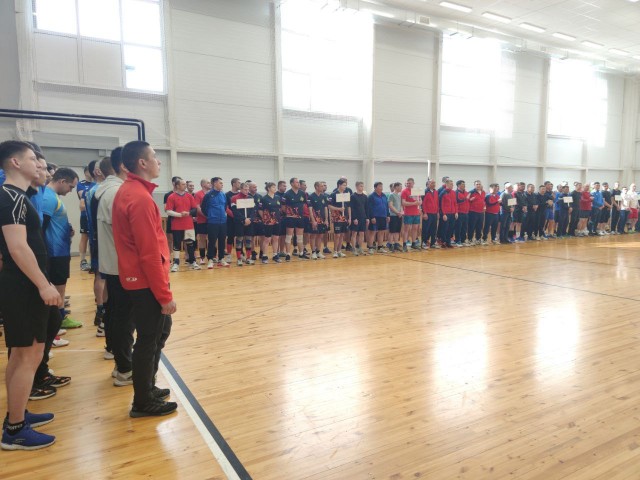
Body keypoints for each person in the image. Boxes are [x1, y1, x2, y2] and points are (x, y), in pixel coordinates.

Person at [0, 140, 59, 450]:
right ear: (15, 162)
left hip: (21, 285)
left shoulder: (19, 196)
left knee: (20, 354)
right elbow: (18, 247)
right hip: (23, 287)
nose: (39, 164)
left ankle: (17, 413)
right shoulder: (11, 197)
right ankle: (15, 430)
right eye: (33, 159)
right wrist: (43, 284)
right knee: (28, 355)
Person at [112, 140, 177, 418]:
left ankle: (147, 387)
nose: (158, 161)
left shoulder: (133, 191)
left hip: (140, 279)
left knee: (159, 332)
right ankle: (142, 400)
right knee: (149, 339)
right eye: (154, 157)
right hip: (145, 281)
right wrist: (164, 296)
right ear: (142, 162)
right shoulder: (138, 197)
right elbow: (149, 253)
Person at [95, 152, 136, 386]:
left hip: (114, 263)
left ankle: (120, 362)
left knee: (117, 314)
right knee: (123, 318)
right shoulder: (115, 192)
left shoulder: (106, 189)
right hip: (121, 266)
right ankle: (125, 368)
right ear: (124, 165)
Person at [42, 168, 81, 330]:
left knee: (61, 286)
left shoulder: (53, 197)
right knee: (58, 287)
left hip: (60, 250)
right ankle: (56, 323)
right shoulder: (48, 198)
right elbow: (41, 227)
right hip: (54, 252)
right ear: (62, 181)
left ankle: (60, 318)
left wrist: (67, 228)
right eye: (71, 187)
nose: (71, 191)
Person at [165, 179, 200, 272]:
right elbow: (168, 211)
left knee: (190, 243)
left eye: (185, 184)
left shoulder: (189, 196)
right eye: (183, 184)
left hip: (189, 225)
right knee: (176, 244)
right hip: (177, 225)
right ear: (177, 186)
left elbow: (194, 209)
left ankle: (192, 261)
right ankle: (176, 263)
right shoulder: (171, 197)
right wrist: (180, 215)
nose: (185, 186)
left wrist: (188, 213)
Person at [201, 177, 229, 269]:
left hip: (223, 221)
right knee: (212, 241)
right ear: (215, 184)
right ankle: (210, 259)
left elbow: (225, 206)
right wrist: (210, 215)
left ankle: (221, 258)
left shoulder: (223, 194)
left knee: (222, 240)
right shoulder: (208, 195)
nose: (222, 184)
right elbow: (203, 208)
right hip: (213, 221)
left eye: (222, 183)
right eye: (220, 183)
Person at [229, 182, 256, 266]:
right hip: (239, 222)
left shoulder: (250, 198)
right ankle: (239, 259)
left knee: (248, 240)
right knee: (239, 240)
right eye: (245, 189)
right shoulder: (234, 198)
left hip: (249, 222)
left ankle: (248, 258)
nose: (247, 191)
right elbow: (235, 211)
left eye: (248, 189)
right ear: (240, 189)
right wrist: (243, 219)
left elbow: (253, 211)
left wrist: (250, 219)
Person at [282, 178, 307, 262]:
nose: (298, 183)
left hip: (300, 218)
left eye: (298, 182)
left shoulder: (302, 193)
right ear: (292, 184)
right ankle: (288, 254)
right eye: (296, 182)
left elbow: (304, 205)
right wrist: (290, 214)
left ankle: (301, 253)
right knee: (289, 236)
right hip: (290, 218)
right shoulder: (287, 194)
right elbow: (283, 207)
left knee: (300, 237)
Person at [258, 182, 283, 263]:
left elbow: (280, 208)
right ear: (268, 188)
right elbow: (260, 210)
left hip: (277, 221)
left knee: (276, 238)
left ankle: (275, 255)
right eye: (273, 187)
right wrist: (265, 219)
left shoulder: (278, 197)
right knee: (267, 239)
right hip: (268, 222)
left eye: (275, 187)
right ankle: (264, 256)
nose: (275, 188)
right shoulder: (264, 199)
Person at [76, 165, 95, 271]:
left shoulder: (96, 183)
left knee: (94, 238)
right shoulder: (81, 184)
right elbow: (83, 198)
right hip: (85, 215)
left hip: (94, 215)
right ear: (85, 172)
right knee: (85, 236)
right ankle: (83, 261)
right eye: (89, 171)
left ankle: (93, 261)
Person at [328, 179, 351, 258]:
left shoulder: (346, 195)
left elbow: (349, 207)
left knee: (342, 235)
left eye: (346, 185)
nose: (345, 187)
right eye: (344, 185)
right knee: (337, 235)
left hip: (345, 217)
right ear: (339, 185)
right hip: (337, 217)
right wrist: (339, 209)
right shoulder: (333, 194)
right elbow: (329, 206)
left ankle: (339, 251)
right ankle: (335, 251)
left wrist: (349, 217)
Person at [307, 181, 328, 260]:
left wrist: (326, 219)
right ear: (316, 187)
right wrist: (313, 220)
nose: (323, 187)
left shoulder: (323, 197)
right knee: (313, 236)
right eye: (321, 186)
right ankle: (313, 252)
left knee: (320, 236)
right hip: (314, 220)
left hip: (322, 220)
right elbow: (310, 210)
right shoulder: (311, 197)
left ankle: (318, 251)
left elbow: (325, 208)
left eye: (323, 186)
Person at [193, 179, 211, 265]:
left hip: (212, 220)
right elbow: (197, 207)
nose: (210, 184)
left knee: (213, 238)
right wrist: (206, 215)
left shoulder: (212, 193)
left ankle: (212, 256)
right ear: (203, 184)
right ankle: (202, 257)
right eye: (208, 183)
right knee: (202, 239)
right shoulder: (198, 194)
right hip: (202, 220)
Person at [400, 178, 421, 251]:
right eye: (407, 183)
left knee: (415, 228)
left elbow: (420, 200)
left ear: (413, 183)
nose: (408, 184)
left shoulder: (416, 191)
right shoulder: (404, 191)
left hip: (416, 213)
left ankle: (413, 243)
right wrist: (413, 203)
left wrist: (419, 203)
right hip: (408, 213)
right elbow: (403, 203)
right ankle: (404, 244)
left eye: (410, 183)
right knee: (406, 229)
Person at [349, 181, 368, 256]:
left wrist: (367, 218)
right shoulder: (353, 196)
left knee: (362, 233)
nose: (362, 187)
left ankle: (360, 248)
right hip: (356, 218)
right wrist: (354, 218)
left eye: (363, 186)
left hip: (363, 217)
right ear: (356, 187)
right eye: (360, 186)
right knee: (354, 233)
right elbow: (352, 208)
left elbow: (366, 208)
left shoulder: (365, 196)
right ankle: (353, 248)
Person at [224, 178, 241, 262]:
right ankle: (229, 255)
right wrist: (234, 215)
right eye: (238, 183)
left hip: (240, 219)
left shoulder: (241, 194)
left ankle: (240, 255)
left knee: (240, 237)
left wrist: (240, 216)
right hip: (231, 219)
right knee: (230, 237)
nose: (240, 184)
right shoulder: (227, 194)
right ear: (234, 184)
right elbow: (226, 207)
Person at [439, 179, 458, 248]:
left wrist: (456, 212)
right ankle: (443, 242)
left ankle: (448, 242)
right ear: (446, 184)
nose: (452, 185)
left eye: (452, 184)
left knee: (451, 229)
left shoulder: (453, 192)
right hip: (446, 214)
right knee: (445, 228)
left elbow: (455, 203)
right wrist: (443, 214)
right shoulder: (443, 192)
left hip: (453, 213)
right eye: (451, 184)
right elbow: (441, 204)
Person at [421, 179, 438, 249]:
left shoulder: (436, 192)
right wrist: (424, 213)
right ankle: (424, 242)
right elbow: (423, 203)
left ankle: (433, 243)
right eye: (432, 183)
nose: (433, 184)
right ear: (428, 184)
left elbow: (437, 202)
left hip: (435, 213)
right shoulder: (425, 192)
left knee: (434, 229)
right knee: (426, 229)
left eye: (434, 183)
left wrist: (437, 212)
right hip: (427, 213)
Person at [468, 180, 485, 245]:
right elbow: (466, 200)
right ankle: (470, 239)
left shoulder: (483, 192)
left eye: (479, 184)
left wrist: (484, 206)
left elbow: (483, 200)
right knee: (472, 226)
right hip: (473, 212)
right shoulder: (471, 192)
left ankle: (478, 239)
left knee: (479, 227)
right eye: (477, 184)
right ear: (474, 185)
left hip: (481, 212)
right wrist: (470, 200)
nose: (478, 185)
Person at [387, 182, 403, 251]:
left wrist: (401, 212)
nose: (401, 188)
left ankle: (396, 244)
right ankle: (390, 245)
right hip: (393, 215)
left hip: (399, 216)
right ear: (396, 187)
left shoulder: (399, 195)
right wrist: (397, 212)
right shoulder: (391, 195)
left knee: (397, 231)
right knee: (392, 231)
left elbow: (400, 205)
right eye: (400, 187)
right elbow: (390, 205)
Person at [454, 180, 470, 247]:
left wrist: (469, 199)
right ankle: (457, 241)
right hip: (459, 213)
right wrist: (465, 199)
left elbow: (468, 201)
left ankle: (463, 241)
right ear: (458, 185)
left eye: (464, 184)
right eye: (462, 184)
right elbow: (457, 202)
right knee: (458, 228)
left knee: (464, 228)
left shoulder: (466, 192)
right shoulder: (456, 193)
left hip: (466, 213)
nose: (464, 185)